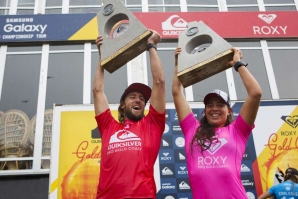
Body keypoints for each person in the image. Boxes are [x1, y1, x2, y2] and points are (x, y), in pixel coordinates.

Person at [172, 47, 262, 198]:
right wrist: (178, 65)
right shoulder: (192, 129)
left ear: (229, 111)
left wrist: (238, 64)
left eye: (220, 105)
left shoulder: (238, 130)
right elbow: (176, 91)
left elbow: (255, 93)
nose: (214, 109)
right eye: (210, 105)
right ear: (205, 109)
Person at [92, 30, 165, 199]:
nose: (138, 100)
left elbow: (159, 83)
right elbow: (97, 90)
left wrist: (151, 46)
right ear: (123, 104)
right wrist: (102, 54)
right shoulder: (108, 126)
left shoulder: (152, 124)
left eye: (142, 98)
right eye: (132, 97)